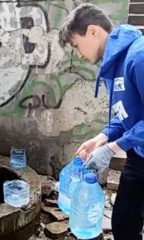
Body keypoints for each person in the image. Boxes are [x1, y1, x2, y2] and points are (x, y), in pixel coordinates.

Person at [59, 3, 144, 240]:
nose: (78, 55)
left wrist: (113, 148)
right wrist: (102, 137)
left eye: (76, 45)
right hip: (139, 155)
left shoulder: (139, 56)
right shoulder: (111, 65)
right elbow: (128, 114)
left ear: (93, 31)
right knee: (124, 224)